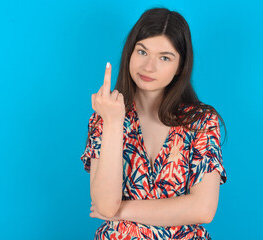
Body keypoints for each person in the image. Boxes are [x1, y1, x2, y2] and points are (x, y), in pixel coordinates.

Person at [81, 7, 228, 240]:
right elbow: (106, 206)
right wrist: (113, 123)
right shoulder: (105, 117)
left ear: (180, 66)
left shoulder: (201, 122)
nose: (149, 67)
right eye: (142, 52)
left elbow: (203, 209)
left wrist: (122, 212)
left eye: (164, 57)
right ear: (130, 51)